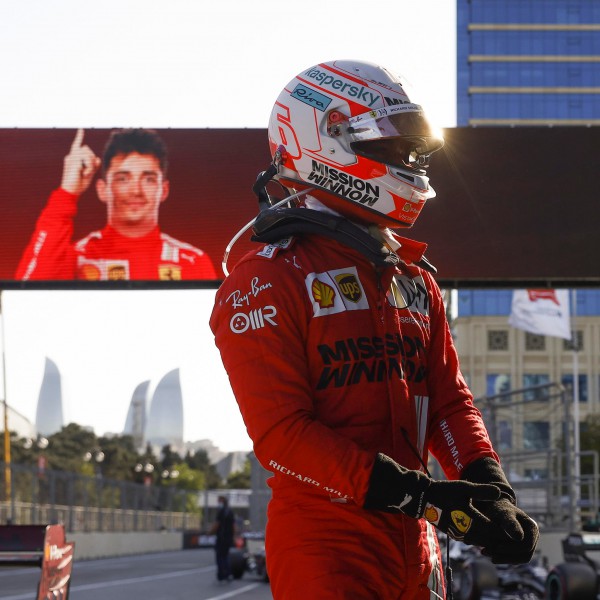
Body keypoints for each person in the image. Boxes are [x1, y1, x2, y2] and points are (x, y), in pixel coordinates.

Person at [209, 60, 539, 599]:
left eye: (412, 150)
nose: (408, 163)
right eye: (391, 149)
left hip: (417, 544)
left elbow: (450, 402)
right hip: (326, 546)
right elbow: (283, 438)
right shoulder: (263, 279)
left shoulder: (412, 278)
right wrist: (421, 495)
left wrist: (490, 485)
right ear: (326, 142)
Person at [16, 128, 217, 281]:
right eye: (123, 179)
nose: (136, 190)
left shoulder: (193, 261)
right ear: (103, 189)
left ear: (163, 190)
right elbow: (24, 293)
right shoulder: (79, 257)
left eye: (147, 179)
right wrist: (67, 192)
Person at [209, 494, 235, 582]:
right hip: (228, 538)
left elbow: (217, 524)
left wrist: (209, 533)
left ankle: (221, 574)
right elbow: (233, 526)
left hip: (221, 537)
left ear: (222, 501)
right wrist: (233, 536)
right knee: (226, 555)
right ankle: (228, 573)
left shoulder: (221, 511)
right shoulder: (230, 511)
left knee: (220, 556)